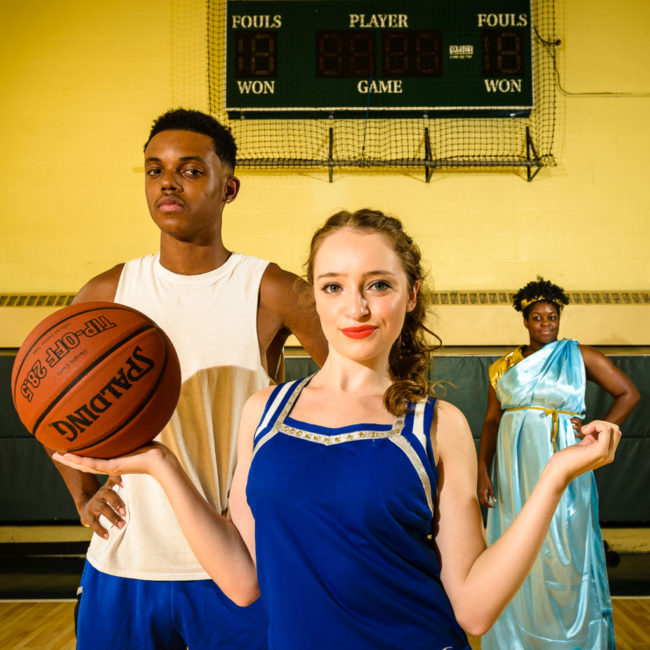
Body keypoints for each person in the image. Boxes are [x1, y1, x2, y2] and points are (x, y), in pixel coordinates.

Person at [55, 211, 621, 650]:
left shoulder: (436, 425)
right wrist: (160, 463)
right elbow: (241, 580)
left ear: (411, 294)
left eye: (378, 284)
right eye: (332, 286)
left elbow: (473, 607)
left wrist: (554, 478)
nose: (356, 307)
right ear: (315, 298)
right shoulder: (265, 412)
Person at [44, 108, 328, 650]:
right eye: (155, 170)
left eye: (191, 170)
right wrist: (83, 495)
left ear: (230, 188)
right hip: (125, 562)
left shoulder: (270, 289)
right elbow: (48, 405)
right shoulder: (108, 293)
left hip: (236, 566)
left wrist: (287, 492)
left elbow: (352, 391)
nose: (168, 182)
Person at [477, 277, 640, 649]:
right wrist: (482, 470)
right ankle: (518, 634)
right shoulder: (502, 366)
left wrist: (598, 428)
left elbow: (629, 393)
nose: (546, 323)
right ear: (525, 321)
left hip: (562, 459)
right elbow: (490, 420)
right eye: (538, 318)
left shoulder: (577, 355)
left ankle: (571, 635)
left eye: (552, 316)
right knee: (516, 543)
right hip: (513, 468)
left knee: (564, 543)